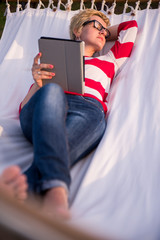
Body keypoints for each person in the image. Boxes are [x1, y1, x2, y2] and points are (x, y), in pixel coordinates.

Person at [19, 9, 138, 218]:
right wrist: (38, 84)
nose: (102, 32)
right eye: (96, 26)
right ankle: (56, 190)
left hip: (87, 109)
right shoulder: (53, 62)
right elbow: (24, 110)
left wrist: (98, 29)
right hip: (48, 106)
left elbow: (130, 27)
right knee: (53, 89)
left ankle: (24, 187)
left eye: (105, 29)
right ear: (77, 30)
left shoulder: (110, 60)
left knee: (75, 129)